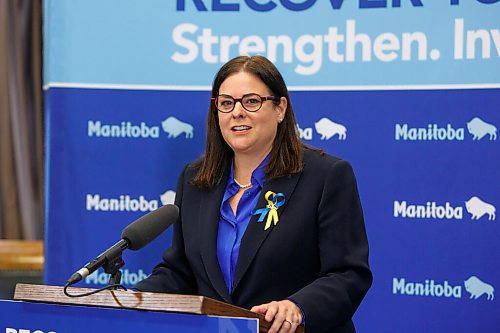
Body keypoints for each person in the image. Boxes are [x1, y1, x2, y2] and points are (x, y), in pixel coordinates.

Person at [135, 55, 372, 333]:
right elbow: (181, 272)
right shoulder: (195, 180)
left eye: (251, 101)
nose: (237, 112)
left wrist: (297, 308)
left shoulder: (326, 176)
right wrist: (130, 298)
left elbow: (348, 274)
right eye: (226, 103)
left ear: (280, 108)